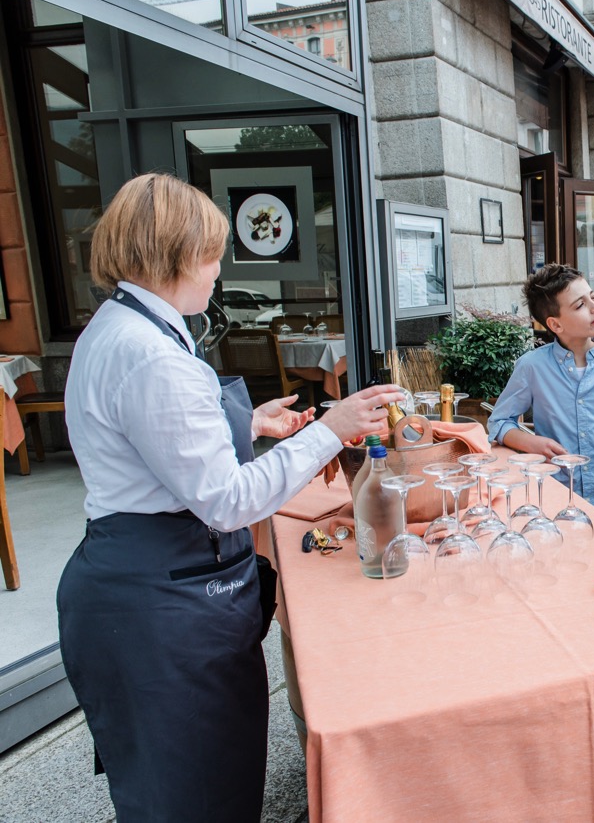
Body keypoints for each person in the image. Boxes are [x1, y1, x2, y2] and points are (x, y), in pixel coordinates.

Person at [57, 172, 405, 822]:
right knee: (196, 796)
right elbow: (228, 501)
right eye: (212, 253)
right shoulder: (154, 357)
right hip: (163, 606)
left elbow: (145, 443)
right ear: (175, 255)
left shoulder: (112, 328)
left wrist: (246, 425)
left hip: (124, 582)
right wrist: (332, 431)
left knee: (163, 787)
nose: (219, 269)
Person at [488, 263, 594, 541]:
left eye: (593, 297)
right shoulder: (532, 368)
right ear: (555, 324)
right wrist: (532, 443)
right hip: (553, 509)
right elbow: (498, 422)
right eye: (580, 305)